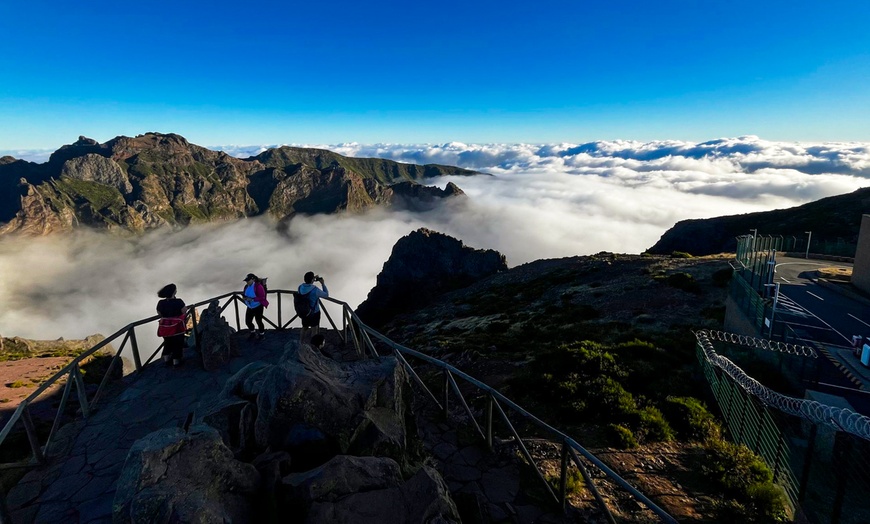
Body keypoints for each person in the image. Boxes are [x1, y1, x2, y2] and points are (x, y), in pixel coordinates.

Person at [156, 283, 188, 367]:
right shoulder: (179, 301)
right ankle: (176, 362)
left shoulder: (161, 302)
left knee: (167, 342)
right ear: (174, 292)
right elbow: (184, 311)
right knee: (178, 343)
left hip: (165, 327)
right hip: (177, 327)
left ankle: (166, 360)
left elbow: (159, 313)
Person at [298, 271, 328, 342]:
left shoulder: (300, 287)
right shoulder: (315, 289)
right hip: (314, 312)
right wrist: (323, 284)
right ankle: (314, 345)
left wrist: (313, 279)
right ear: (312, 280)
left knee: (304, 327)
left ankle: (301, 342)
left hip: (304, 311)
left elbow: (306, 288)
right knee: (314, 329)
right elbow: (326, 295)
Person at [243, 273, 269, 339]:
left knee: (259, 321)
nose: (247, 282)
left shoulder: (258, 286)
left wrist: (252, 299)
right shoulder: (246, 287)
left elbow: (262, 297)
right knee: (248, 321)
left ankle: (261, 335)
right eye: (246, 280)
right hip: (250, 306)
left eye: (248, 280)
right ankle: (253, 332)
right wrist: (245, 298)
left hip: (258, 306)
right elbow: (245, 294)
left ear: (253, 279)